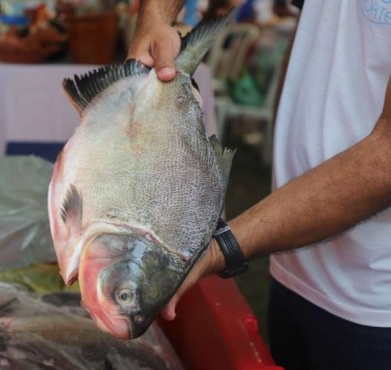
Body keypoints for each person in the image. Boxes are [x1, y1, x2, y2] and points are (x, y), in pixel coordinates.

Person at [128, 0, 391, 369]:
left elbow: (387, 157)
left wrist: (220, 249)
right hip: (295, 264)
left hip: (376, 301)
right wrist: (156, 16)